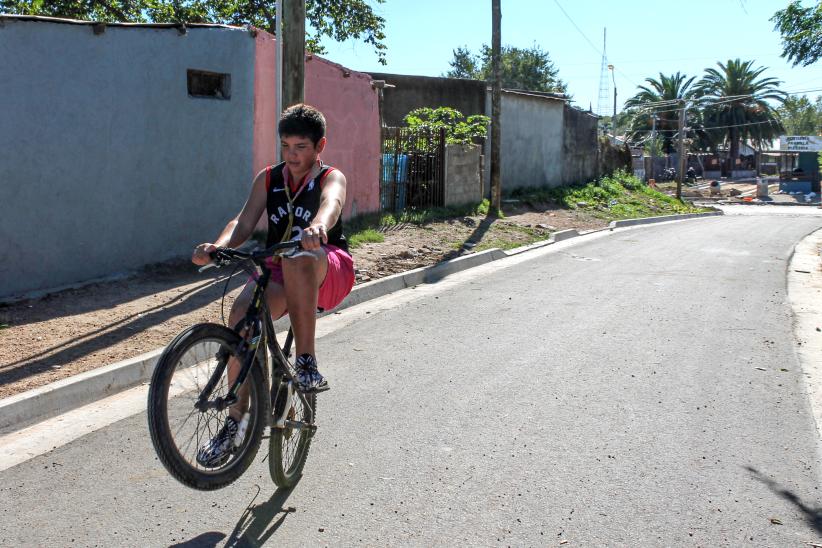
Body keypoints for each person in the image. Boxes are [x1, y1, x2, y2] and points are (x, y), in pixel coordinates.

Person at [191, 104, 355, 466]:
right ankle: (237, 422)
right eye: (285, 146)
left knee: (299, 258)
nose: (292, 155)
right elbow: (244, 221)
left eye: (300, 147)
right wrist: (219, 246)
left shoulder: (331, 176)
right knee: (240, 317)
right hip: (280, 268)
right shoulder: (269, 178)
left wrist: (318, 227)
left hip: (327, 266)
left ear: (319, 146)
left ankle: (307, 361)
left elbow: (332, 203)